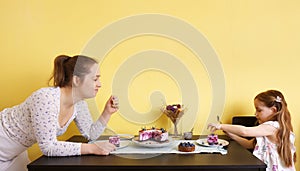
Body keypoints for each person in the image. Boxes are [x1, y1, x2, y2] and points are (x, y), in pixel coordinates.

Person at [0, 55, 119, 171]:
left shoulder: (79, 104)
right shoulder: (45, 98)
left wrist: (107, 113)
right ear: (76, 80)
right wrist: (92, 148)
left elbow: (90, 135)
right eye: (95, 79)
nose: (100, 84)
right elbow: (49, 147)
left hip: (16, 152)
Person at [208, 90, 296, 171]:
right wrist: (231, 135)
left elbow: (245, 131)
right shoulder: (268, 129)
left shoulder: (272, 127)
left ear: (273, 110)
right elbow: (249, 144)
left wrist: (221, 126)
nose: (255, 114)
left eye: (259, 110)